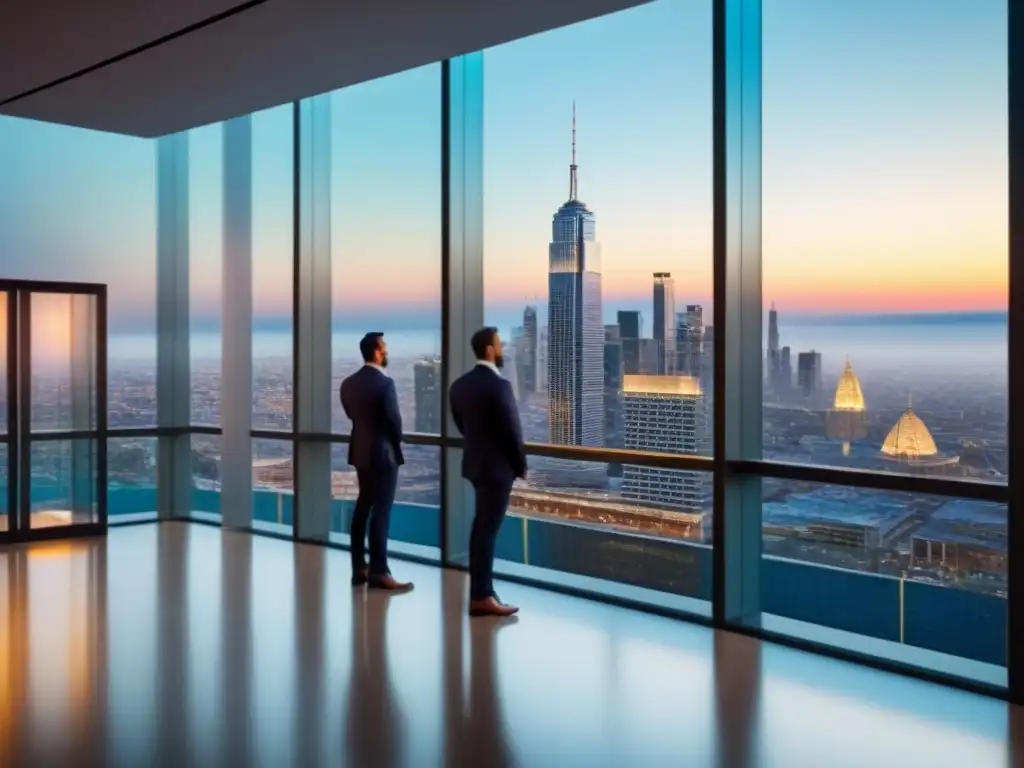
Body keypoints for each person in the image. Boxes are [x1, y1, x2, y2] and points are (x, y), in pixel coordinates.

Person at [449, 327, 526, 617]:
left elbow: (462, 426)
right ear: (490, 351)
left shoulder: (459, 386)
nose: (502, 349)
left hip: (475, 465)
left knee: (481, 528)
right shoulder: (500, 386)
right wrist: (520, 466)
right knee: (486, 531)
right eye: (499, 344)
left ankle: (482, 592)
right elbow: (512, 431)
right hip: (497, 469)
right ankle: (482, 595)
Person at [340, 332, 412, 592]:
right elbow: (394, 422)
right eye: (384, 347)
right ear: (377, 351)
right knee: (381, 510)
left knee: (363, 507)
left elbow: (352, 415)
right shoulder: (385, 384)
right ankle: (379, 571)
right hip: (382, 454)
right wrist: (395, 439)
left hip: (360, 451)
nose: (387, 350)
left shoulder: (348, 383)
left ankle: (359, 567)